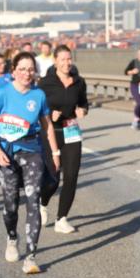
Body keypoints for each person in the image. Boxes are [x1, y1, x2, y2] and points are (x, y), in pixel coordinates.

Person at [0, 52, 61, 274]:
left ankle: (31, 256)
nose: (27, 73)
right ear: (14, 70)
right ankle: (11, 237)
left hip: (32, 152)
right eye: (23, 68)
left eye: (31, 69)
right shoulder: (2, 95)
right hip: (7, 153)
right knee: (10, 205)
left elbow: (46, 126)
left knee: (33, 200)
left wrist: (55, 153)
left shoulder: (39, 96)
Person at [38, 45, 89, 234]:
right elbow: (37, 107)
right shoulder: (45, 83)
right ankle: (42, 204)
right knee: (52, 177)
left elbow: (84, 102)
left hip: (72, 131)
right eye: (63, 59)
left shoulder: (79, 81)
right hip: (52, 132)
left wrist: (82, 110)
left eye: (69, 59)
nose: (67, 63)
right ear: (55, 61)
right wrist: (50, 114)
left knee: (71, 176)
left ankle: (62, 218)